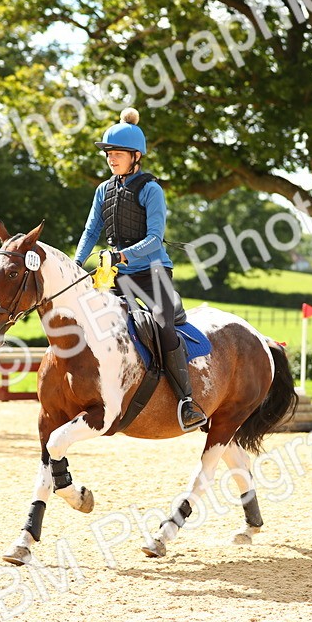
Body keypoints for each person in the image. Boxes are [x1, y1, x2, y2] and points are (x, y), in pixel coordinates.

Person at [74, 107, 207, 431]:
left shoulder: (151, 189)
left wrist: (120, 256)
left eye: (117, 153)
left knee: (162, 326)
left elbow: (154, 238)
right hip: (117, 274)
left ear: (136, 156)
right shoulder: (103, 190)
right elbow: (92, 231)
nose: (111, 158)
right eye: (108, 153)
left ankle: (187, 401)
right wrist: (76, 265)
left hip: (153, 272)